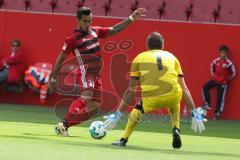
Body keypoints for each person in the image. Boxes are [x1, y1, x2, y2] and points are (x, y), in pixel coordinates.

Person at [48, 7, 146, 136]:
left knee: (94, 109)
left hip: (97, 75)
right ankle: (63, 124)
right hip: (87, 72)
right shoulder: (72, 38)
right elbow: (61, 59)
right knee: (86, 96)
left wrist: (131, 18)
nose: (88, 24)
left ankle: (64, 125)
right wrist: (53, 78)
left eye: (90, 20)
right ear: (78, 20)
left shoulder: (95, 31)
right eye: (85, 21)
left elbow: (115, 29)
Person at [103, 32, 206, 149]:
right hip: (173, 95)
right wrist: (194, 111)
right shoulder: (172, 57)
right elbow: (184, 88)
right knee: (175, 98)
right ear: (162, 45)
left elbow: (130, 90)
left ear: (147, 46)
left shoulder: (139, 58)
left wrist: (118, 114)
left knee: (137, 110)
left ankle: (123, 139)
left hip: (152, 98)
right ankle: (176, 129)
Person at [201, 45, 236, 120]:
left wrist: (226, 80)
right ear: (219, 53)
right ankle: (208, 103)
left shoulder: (229, 63)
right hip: (215, 80)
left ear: (227, 54)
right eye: (222, 53)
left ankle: (217, 113)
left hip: (223, 83)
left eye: (224, 53)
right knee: (205, 86)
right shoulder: (216, 61)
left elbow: (233, 73)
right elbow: (211, 68)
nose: (223, 54)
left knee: (220, 98)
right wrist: (214, 77)